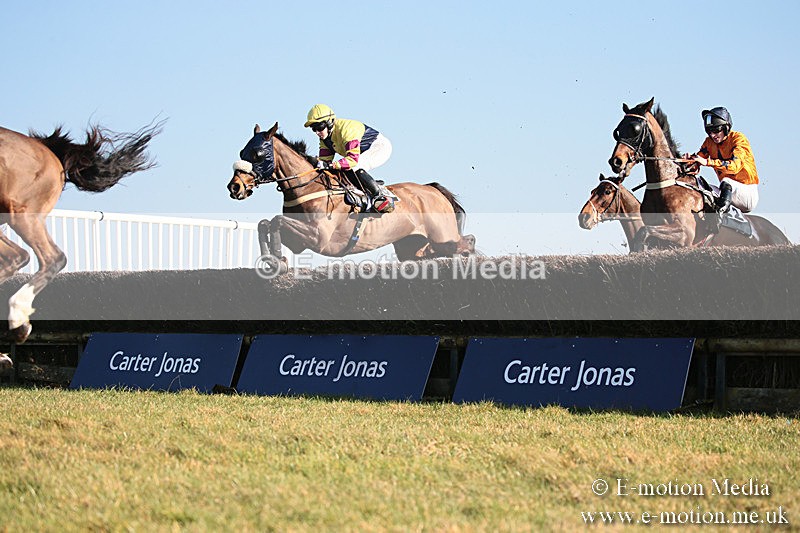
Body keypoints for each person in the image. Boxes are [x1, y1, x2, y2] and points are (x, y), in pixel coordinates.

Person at [304, 104, 395, 213]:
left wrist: (332, 165)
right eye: (314, 129)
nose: (317, 132)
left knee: (355, 166)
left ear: (329, 122)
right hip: (361, 153)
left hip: (379, 147)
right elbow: (324, 162)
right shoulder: (325, 139)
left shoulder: (346, 129)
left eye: (319, 127)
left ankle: (380, 197)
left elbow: (352, 160)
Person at [685, 107, 759, 214]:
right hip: (727, 191)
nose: (712, 135)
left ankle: (720, 216)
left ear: (726, 128)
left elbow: (734, 166)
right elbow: (698, 160)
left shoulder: (739, 139)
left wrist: (708, 162)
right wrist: (688, 162)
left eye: (716, 131)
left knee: (726, 181)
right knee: (698, 185)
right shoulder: (709, 142)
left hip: (747, 193)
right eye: (709, 131)